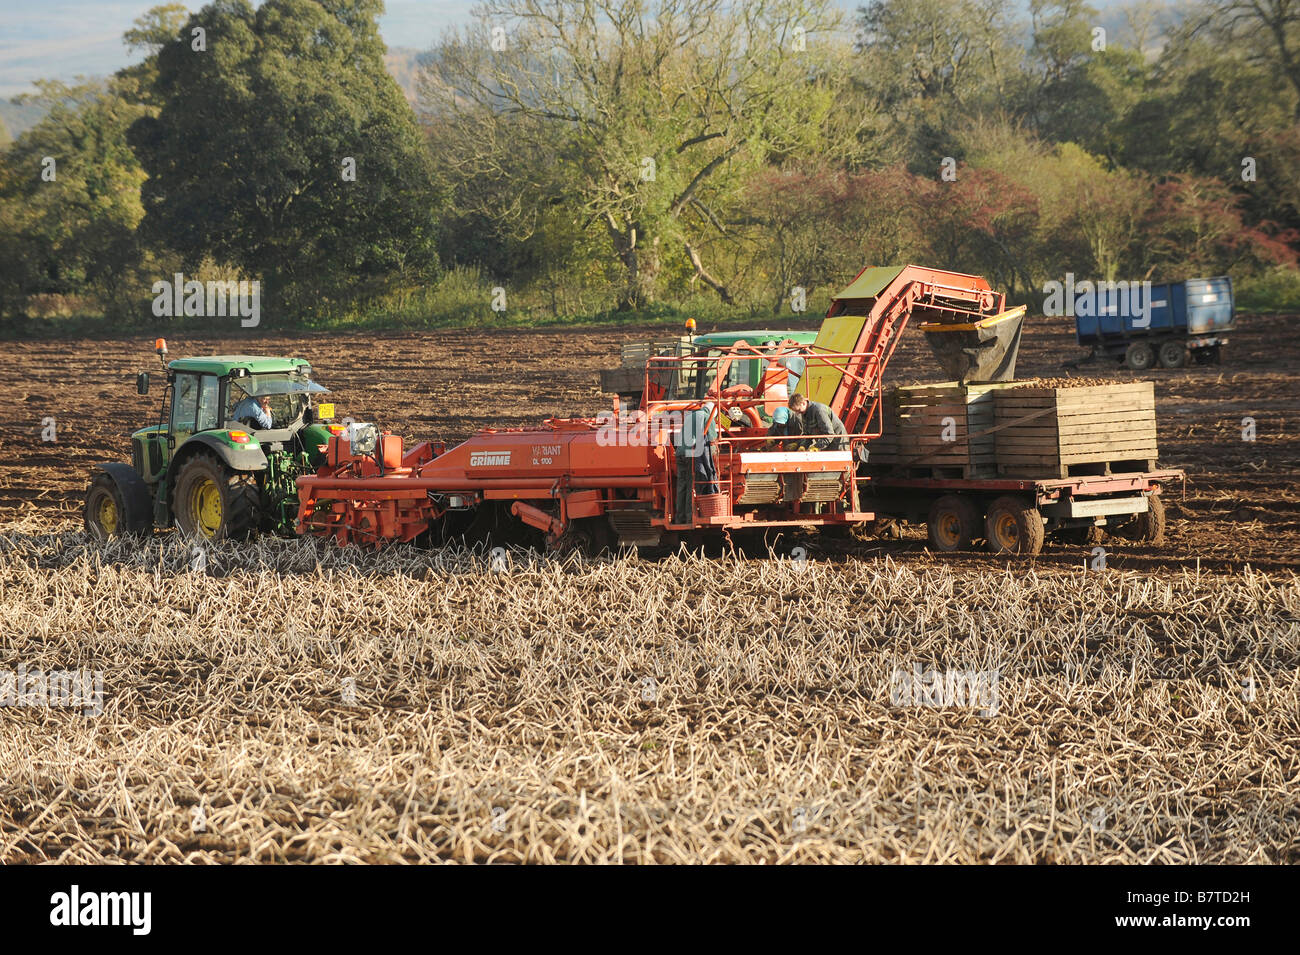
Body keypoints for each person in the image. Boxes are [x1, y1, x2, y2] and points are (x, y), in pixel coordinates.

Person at [674, 400, 718, 523]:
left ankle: (679, 517)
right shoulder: (707, 417)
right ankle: (689, 518)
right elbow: (712, 439)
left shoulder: (691, 415)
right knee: (690, 485)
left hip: (679, 453)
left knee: (681, 485)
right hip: (690, 454)